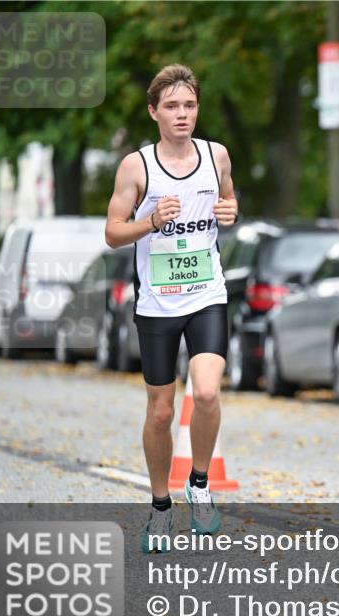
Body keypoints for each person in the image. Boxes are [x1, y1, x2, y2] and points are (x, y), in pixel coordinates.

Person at [104, 64, 237, 552]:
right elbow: (113, 232)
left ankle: (199, 482)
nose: (182, 115)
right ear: (154, 112)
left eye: (190, 105)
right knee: (161, 412)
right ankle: (160, 508)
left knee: (205, 393)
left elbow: (227, 199)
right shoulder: (137, 167)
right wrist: (150, 220)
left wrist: (231, 209)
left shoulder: (216, 155)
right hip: (158, 302)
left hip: (207, 293)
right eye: (172, 107)